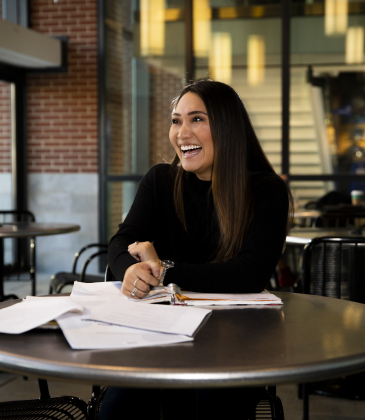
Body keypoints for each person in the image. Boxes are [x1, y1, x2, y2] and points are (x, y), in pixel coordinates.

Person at [100, 80, 292, 420]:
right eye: (176, 121)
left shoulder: (266, 190)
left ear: (227, 127)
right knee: (118, 409)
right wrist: (129, 270)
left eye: (197, 119)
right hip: (159, 335)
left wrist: (163, 271)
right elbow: (121, 241)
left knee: (209, 407)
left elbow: (250, 273)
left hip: (233, 339)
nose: (182, 133)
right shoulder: (160, 180)